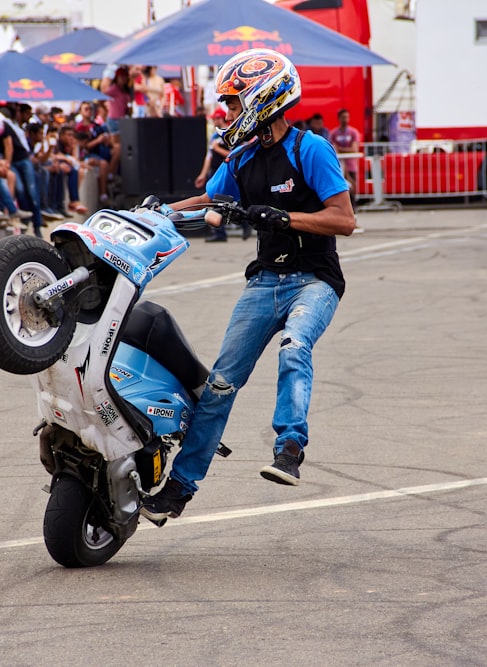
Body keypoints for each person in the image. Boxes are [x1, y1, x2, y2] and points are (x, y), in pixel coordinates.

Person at [141, 49, 355, 523]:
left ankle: (289, 449)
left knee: (295, 346)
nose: (227, 113)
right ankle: (178, 489)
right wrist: (159, 213)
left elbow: (344, 219)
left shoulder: (310, 149)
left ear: (264, 97)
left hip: (314, 281)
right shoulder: (241, 158)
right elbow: (209, 199)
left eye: (233, 103)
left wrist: (285, 217)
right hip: (265, 281)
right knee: (219, 385)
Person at [195, 107, 234, 242]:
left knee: (223, 203)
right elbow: (209, 156)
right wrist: (203, 174)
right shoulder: (214, 136)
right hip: (215, 173)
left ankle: (225, 230)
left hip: (227, 172)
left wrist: (218, 148)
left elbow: (234, 155)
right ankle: (219, 232)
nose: (213, 121)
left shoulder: (230, 134)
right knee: (214, 203)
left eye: (215, 118)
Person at [330, 108, 361, 202]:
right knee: (341, 189)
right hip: (338, 166)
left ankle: (353, 209)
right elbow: (334, 149)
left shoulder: (353, 132)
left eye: (347, 117)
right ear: (339, 118)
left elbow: (354, 149)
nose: (345, 119)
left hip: (351, 165)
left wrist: (341, 149)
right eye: (343, 117)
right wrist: (346, 150)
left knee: (352, 188)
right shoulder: (334, 133)